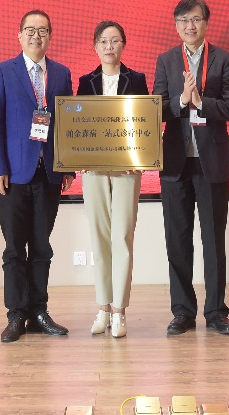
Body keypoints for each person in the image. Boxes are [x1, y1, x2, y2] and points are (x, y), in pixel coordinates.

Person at [153, 0, 229, 336]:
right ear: (176, 25)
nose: (190, 26)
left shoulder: (223, 59)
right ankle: (182, 312)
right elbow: (158, 107)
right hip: (176, 164)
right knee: (177, 240)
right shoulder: (166, 61)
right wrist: (181, 100)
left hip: (211, 163)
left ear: (206, 23)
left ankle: (216, 312)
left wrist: (202, 102)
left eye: (196, 19)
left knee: (213, 240)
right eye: (183, 20)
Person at [0, 9, 75, 343]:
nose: (37, 36)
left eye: (43, 30)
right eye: (30, 30)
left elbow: (68, 123)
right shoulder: (3, 71)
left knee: (41, 246)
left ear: (51, 36)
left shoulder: (62, 73)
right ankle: (16, 314)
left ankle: (39, 312)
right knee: (14, 248)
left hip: (48, 172)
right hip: (14, 174)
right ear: (19, 35)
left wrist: (67, 166)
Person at [76, 20, 149, 339]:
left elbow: (145, 122)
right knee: (99, 237)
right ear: (95, 46)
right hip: (93, 170)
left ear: (123, 45)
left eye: (115, 40)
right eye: (103, 41)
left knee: (122, 237)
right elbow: (77, 124)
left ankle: (119, 310)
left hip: (126, 169)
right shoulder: (85, 82)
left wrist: (139, 157)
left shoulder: (137, 80)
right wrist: (78, 158)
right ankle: (103, 308)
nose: (109, 46)